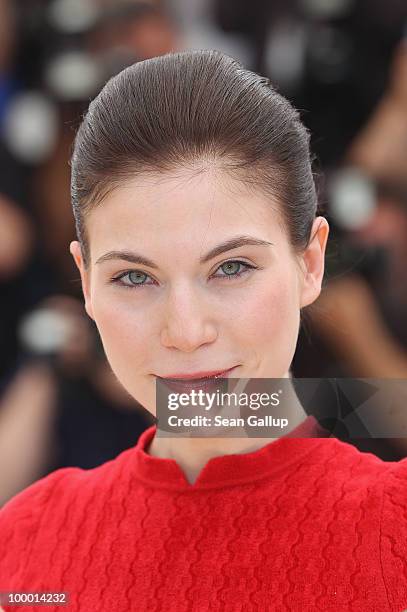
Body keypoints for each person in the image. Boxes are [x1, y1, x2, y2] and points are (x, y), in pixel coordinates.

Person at [0, 49, 406, 612]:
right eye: (134, 276)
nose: (186, 331)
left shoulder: (395, 531)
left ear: (310, 263)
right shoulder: (27, 543)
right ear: (86, 285)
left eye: (231, 268)